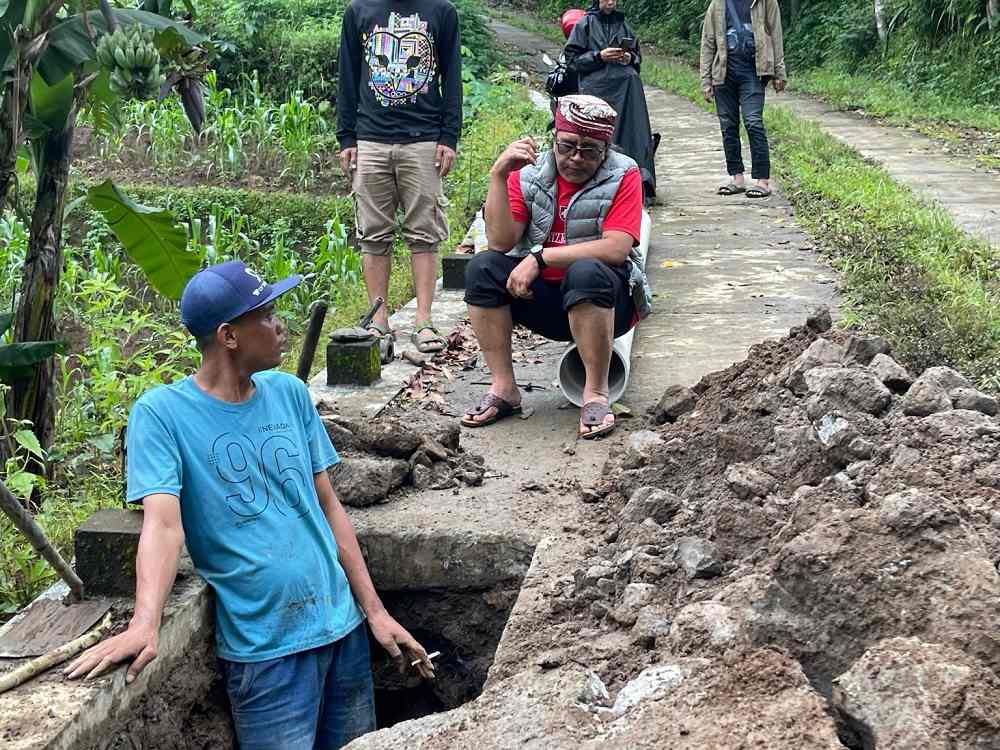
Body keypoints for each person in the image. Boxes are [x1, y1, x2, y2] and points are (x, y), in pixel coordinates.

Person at [64, 261, 435, 750]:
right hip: (266, 652)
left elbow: (329, 507)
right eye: (267, 316)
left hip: (342, 631)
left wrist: (376, 612)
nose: (281, 327)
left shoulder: (290, 394)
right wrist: (145, 624)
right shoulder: (162, 415)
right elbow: (163, 526)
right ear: (229, 336)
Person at [461, 95, 651, 440]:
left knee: (586, 271)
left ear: (605, 151)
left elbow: (616, 248)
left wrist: (540, 258)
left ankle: (596, 393)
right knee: (482, 268)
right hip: (545, 301)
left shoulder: (625, 173)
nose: (576, 158)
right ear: (554, 140)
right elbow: (500, 242)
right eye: (567, 146)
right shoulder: (529, 174)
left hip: (608, 302)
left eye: (589, 150)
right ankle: (503, 388)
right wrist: (499, 176)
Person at [336, 0, 463, 360]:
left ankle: (423, 320)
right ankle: (379, 321)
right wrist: (346, 138)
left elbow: (452, 77)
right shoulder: (359, 10)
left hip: (424, 140)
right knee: (373, 234)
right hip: (370, 139)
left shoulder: (441, 11)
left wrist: (449, 137)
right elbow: (347, 76)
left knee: (424, 232)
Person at [563, 0, 658, 206]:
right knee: (600, 136)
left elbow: (637, 58)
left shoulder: (623, 25)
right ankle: (599, 184)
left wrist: (628, 57)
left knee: (634, 134)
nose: (611, 2)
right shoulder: (585, 24)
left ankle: (639, 183)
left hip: (628, 90)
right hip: (597, 90)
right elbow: (572, 61)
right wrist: (599, 56)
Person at [700, 0, 786, 198]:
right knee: (728, 126)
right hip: (723, 74)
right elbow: (708, 41)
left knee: (753, 123)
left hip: (753, 73)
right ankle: (737, 178)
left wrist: (779, 72)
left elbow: (776, 35)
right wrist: (706, 80)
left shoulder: (766, 2)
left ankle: (762, 181)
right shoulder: (718, 3)